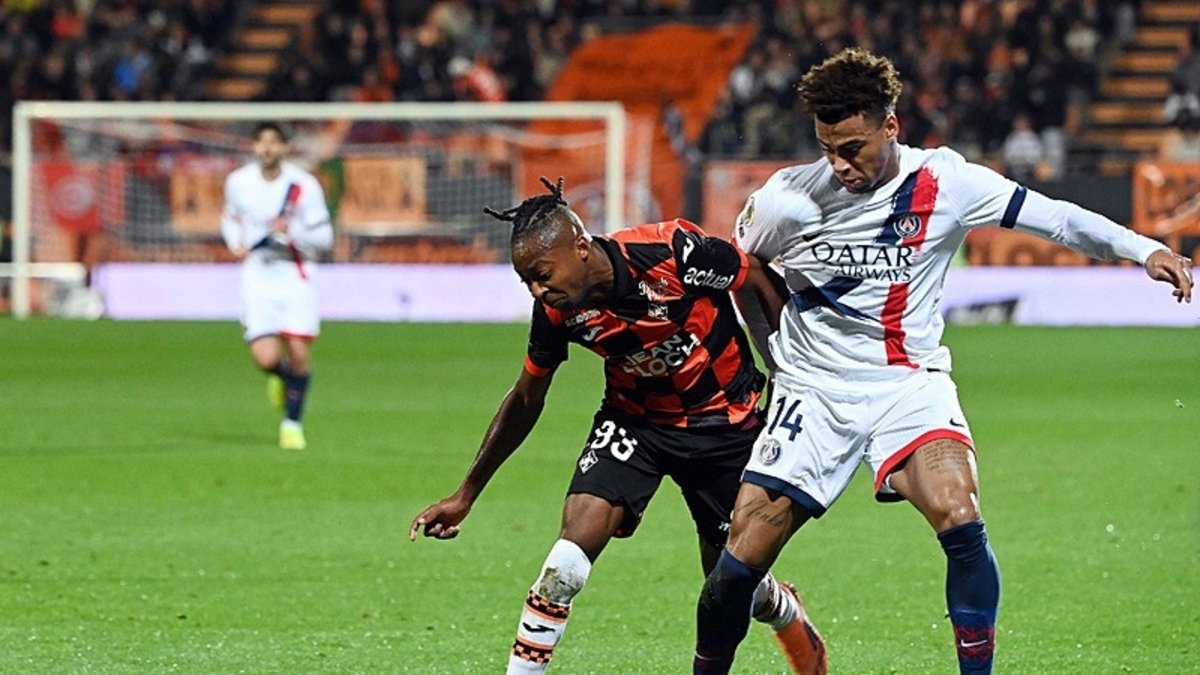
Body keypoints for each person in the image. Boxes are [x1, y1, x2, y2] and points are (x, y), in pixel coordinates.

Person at [693, 48, 1195, 675]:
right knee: (740, 559)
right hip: (814, 391)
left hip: (910, 384)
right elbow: (743, 272)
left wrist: (1144, 249)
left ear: (891, 125)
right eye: (827, 148)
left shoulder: (947, 183)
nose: (840, 165)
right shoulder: (786, 202)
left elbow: (1057, 218)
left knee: (959, 514)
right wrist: (774, 359)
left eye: (852, 146)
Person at [409, 178, 827, 675]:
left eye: (542, 273)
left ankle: (785, 611)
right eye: (527, 282)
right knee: (565, 562)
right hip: (636, 424)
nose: (539, 290)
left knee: (730, 583)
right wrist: (466, 493)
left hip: (724, 424)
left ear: (580, 247)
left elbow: (753, 275)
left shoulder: (672, 252)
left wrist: (795, 372)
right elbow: (525, 398)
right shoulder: (558, 311)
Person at [220, 122, 332, 450]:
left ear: (285, 147)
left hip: (295, 272)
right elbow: (229, 217)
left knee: (298, 350)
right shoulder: (238, 182)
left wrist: (291, 230)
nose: (267, 148)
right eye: (261, 142)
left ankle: (292, 424)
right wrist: (234, 243)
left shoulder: (304, 185)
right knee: (266, 358)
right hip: (258, 274)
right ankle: (282, 379)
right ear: (253, 146)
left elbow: (325, 238)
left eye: (274, 142)